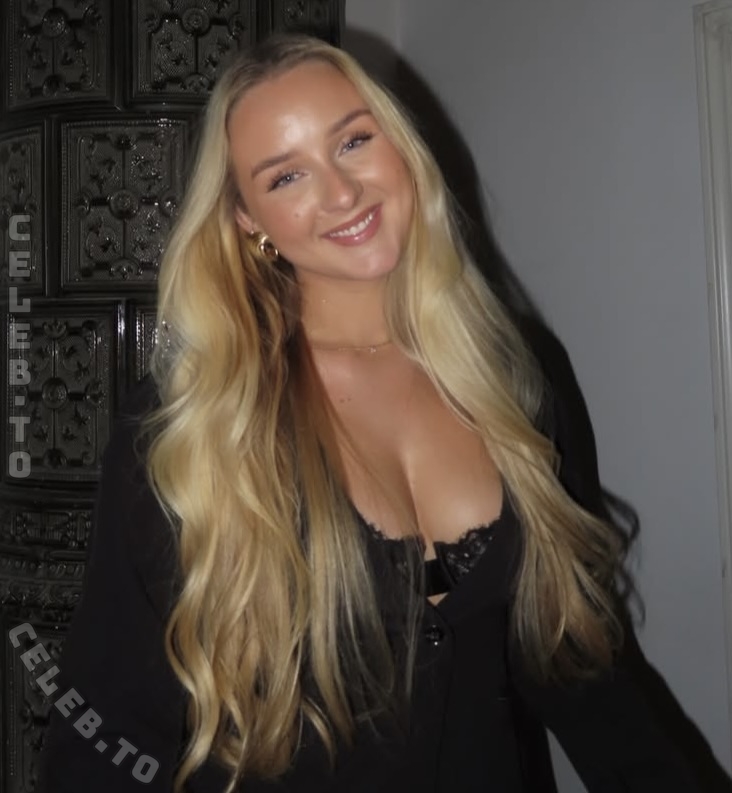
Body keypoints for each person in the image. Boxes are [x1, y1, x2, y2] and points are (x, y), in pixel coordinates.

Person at [39, 34, 700, 792]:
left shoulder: (518, 377)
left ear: (400, 144)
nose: (342, 192)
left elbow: (573, 658)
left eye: (353, 140)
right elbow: (104, 730)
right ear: (248, 219)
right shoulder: (191, 428)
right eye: (287, 175)